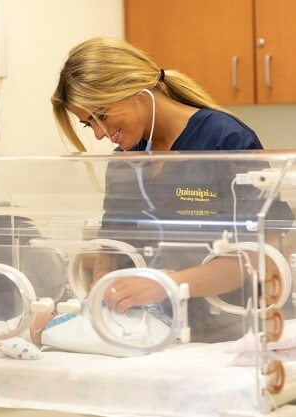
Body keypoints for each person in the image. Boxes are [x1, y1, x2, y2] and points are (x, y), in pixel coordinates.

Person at [28, 36, 293, 346]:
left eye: (101, 115)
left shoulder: (224, 140)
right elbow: (113, 250)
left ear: (134, 91)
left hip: (233, 335)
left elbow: (264, 256)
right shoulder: (125, 162)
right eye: (89, 124)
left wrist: (167, 283)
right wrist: (95, 306)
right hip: (155, 334)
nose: (99, 133)